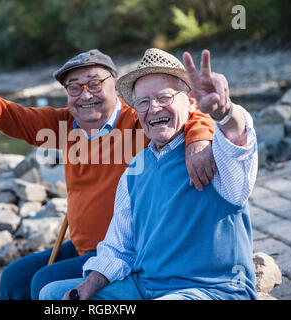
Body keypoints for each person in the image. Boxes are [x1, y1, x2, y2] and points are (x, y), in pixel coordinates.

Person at [0, 49, 216, 300]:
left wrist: (199, 139)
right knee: (13, 279)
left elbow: (190, 112)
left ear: (115, 85)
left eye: (94, 83)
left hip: (125, 250)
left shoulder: (139, 118)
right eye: (74, 88)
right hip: (82, 246)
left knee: (44, 282)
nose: (85, 94)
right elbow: (13, 117)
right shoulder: (66, 125)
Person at [39, 48, 259, 300]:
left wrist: (225, 112)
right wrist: (89, 285)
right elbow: (119, 248)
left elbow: (237, 137)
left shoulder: (214, 153)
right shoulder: (135, 169)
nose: (153, 108)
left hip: (211, 290)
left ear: (190, 102)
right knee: (52, 295)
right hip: (144, 288)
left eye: (164, 98)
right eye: (143, 101)